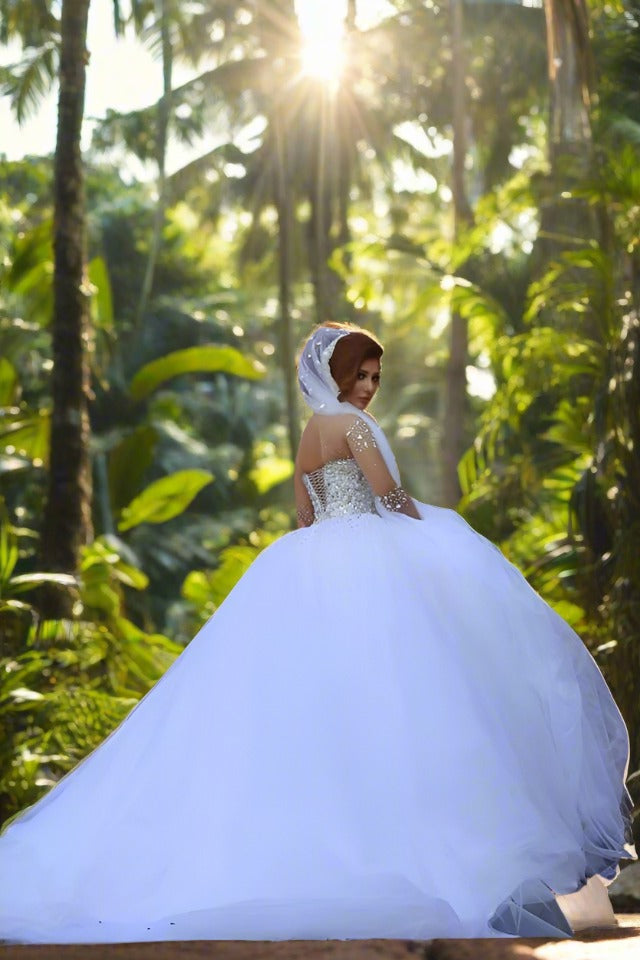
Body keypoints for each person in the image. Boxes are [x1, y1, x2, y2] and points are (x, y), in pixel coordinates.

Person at [0, 321, 635, 944]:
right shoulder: (355, 427)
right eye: (358, 374)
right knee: (408, 699)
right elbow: (387, 496)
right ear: (335, 374)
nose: (367, 387)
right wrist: (434, 532)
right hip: (369, 559)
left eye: (375, 376)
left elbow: (303, 513)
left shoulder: (311, 431)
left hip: (312, 559)